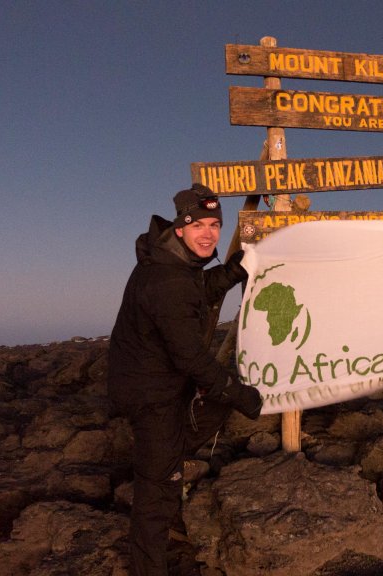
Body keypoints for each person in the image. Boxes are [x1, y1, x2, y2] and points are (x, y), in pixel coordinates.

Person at [108, 183, 263, 575]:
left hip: (155, 383)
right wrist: (240, 394)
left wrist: (229, 272)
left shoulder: (172, 264)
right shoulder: (167, 280)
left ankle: (165, 459)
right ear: (180, 228)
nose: (209, 233)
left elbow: (197, 289)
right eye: (199, 225)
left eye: (215, 225)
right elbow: (191, 356)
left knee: (187, 432)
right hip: (150, 394)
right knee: (157, 493)